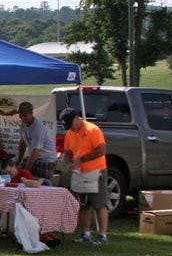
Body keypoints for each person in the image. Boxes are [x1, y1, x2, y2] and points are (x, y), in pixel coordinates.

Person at [60, 107, 109, 246]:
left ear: (77, 118)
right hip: (79, 173)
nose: (70, 128)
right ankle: (86, 233)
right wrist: (70, 163)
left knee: (99, 204)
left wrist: (82, 159)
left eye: (70, 124)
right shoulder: (70, 133)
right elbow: (68, 152)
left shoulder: (92, 130)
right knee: (83, 205)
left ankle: (102, 235)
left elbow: (101, 150)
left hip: (96, 171)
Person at [15, 101, 58, 180]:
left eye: (25, 115)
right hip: (35, 157)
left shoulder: (38, 129)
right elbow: (23, 143)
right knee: (17, 174)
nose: (22, 118)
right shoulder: (23, 125)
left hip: (46, 160)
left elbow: (36, 151)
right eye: (21, 115)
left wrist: (26, 171)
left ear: (31, 113)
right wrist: (18, 161)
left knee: (42, 185)